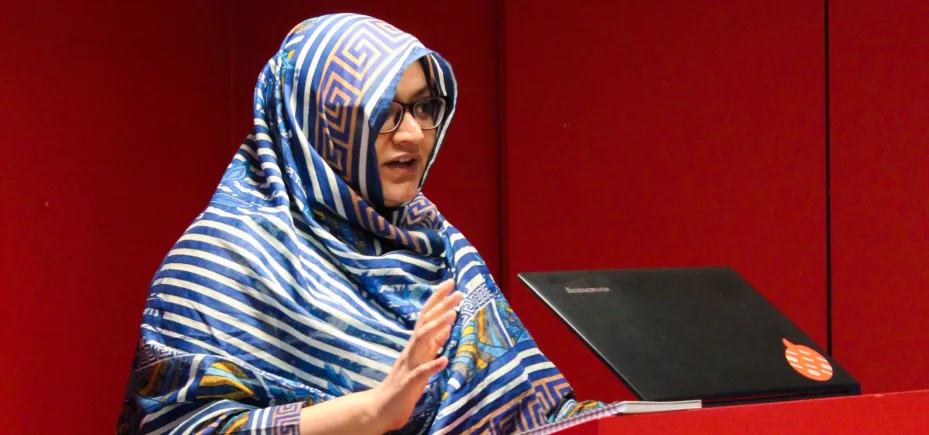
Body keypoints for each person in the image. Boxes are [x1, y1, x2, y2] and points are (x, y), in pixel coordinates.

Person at [117, 13, 602, 435]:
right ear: (312, 123)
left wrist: (646, 416)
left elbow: (532, 414)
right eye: (384, 112)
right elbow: (173, 426)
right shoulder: (221, 260)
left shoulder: (437, 246)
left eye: (424, 107)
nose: (413, 135)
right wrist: (368, 414)